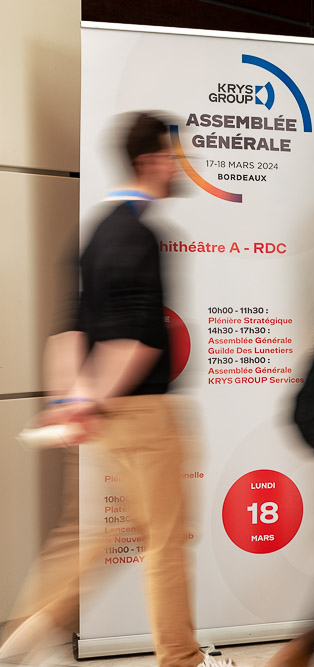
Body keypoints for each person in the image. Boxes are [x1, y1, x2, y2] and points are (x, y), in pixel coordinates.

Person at [0, 112, 228, 667]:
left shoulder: (97, 230)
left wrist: (68, 401)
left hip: (101, 415)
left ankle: (26, 636)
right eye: (177, 156)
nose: (184, 167)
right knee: (166, 542)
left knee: (94, 534)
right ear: (151, 160)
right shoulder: (141, 234)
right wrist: (86, 401)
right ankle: (183, 660)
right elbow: (138, 340)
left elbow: (68, 325)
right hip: (143, 413)